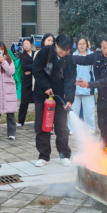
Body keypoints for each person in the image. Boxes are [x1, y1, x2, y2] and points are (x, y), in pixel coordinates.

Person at [74, 34, 107, 150]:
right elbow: (83, 59)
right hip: (102, 97)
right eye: (103, 47)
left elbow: (106, 81)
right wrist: (67, 57)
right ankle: (104, 151)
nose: (105, 51)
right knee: (102, 126)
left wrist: (88, 84)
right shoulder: (98, 54)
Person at [33, 33, 76, 167]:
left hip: (59, 97)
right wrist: (46, 86)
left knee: (61, 127)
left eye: (67, 50)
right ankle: (44, 156)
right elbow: (36, 70)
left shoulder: (70, 59)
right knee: (43, 126)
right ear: (56, 45)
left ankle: (64, 154)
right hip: (42, 95)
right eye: (62, 49)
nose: (64, 52)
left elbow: (70, 80)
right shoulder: (45, 52)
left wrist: (69, 99)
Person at [0, 42, 18, 140]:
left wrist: (3, 62)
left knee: (10, 113)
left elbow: (11, 72)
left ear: (4, 50)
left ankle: (11, 133)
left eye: (1, 49)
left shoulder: (9, 60)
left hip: (8, 90)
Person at [69, 36, 95, 133]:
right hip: (75, 87)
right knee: (74, 110)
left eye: (84, 43)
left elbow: (94, 73)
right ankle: (72, 128)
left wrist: (95, 87)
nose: (82, 46)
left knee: (89, 110)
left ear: (87, 44)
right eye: (79, 44)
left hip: (88, 87)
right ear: (76, 45)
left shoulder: (92, 56)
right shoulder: (72, 56)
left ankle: (90, 128)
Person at [18, 38, 34, 127]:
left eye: (27, 43)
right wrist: (34, 67)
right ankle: (20, 121)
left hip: (35, 80)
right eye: (24, 44)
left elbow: (39, 65)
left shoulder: (36, 54)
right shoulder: (22, 56)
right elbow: (24, 67)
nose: (26, 45)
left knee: (38, 101)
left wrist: (30, 70)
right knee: (24, 101)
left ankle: (38, 121)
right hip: (26, 81)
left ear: (31, 44)